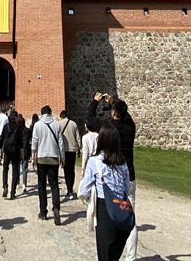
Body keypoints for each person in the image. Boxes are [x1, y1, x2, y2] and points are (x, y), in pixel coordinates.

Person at [87, 93, 138, 260]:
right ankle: (130, 257)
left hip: (109, 177)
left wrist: (95, 101)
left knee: (109, 214)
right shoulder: (130, 129)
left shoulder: (108, 128)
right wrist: (113, 103)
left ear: (113, 113)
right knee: (127, 215)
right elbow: (128, 118)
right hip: (128, 176)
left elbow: (90, 119)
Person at [79, 123, 133, 261]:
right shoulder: (122, 162)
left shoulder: (94, 162)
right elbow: (127, 187)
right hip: (122, 209)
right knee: (115, 255)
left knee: (104, 254)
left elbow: (84, 190)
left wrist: (89, 200)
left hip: (105, 208)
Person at [31, 104, 65, 224]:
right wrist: (62, 157)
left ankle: (43, 212)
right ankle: (56, 208)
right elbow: (61, 142)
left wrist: (33, 157)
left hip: (41, 158)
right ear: (50, 113)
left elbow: (34, 141)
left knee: (41, 185)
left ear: (41, 113)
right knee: (54, 185)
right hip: (54, 158)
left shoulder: (37, 125)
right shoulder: (56, 124)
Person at [81, 120, 100, 232]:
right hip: (99, 160)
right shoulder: (98, 135)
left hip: (90, 162)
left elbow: (85, 153)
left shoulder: (85, 137)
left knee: (88, 188)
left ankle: (90, 209)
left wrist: (83, 168)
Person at [1, 110, 24, 199]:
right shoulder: (18, 127)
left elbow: (2, 140)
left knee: (5, 169)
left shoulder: (5, 127)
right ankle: (12, 192)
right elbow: (21, 142)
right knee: (15, 171)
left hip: (7, 151)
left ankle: (5, 186)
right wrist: (22, 154)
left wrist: (1, 152)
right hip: (15, 151)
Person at [59, 109, 81, 200]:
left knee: (66, 170)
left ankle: (69, 190)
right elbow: (78, 137)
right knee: (72, 170)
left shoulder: (59, 124)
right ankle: (71, 189)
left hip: (64, 150)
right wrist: (79, 148)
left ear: (61, 116)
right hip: (73, 150)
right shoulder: (73, 124)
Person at [21, 113, 37, 193]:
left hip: (17, 152)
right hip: (26, 151)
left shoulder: (16, 130)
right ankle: (24, 184)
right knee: (24, 169)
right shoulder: (28, 130)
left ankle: (17, 183)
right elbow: (31, 139)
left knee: (17, 168)